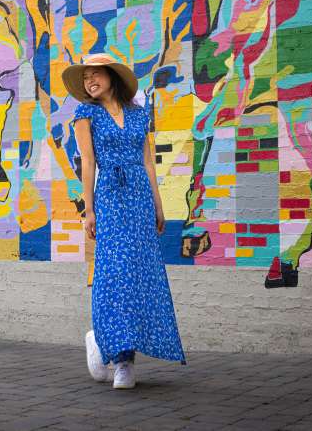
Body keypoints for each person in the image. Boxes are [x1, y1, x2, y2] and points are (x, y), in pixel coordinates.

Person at [63, 53, 186, 389]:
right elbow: (87, 163)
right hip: (111, 199)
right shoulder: (85, 113)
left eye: (95, 74)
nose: (90, 81)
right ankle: (118, 356)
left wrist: (158, 205)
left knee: (139, 275)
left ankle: (119, 352)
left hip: (140, 199)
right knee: (114, 274)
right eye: (86, 77)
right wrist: (89, 209)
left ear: (112, 76)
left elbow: (148, 162)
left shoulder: (136, 114)